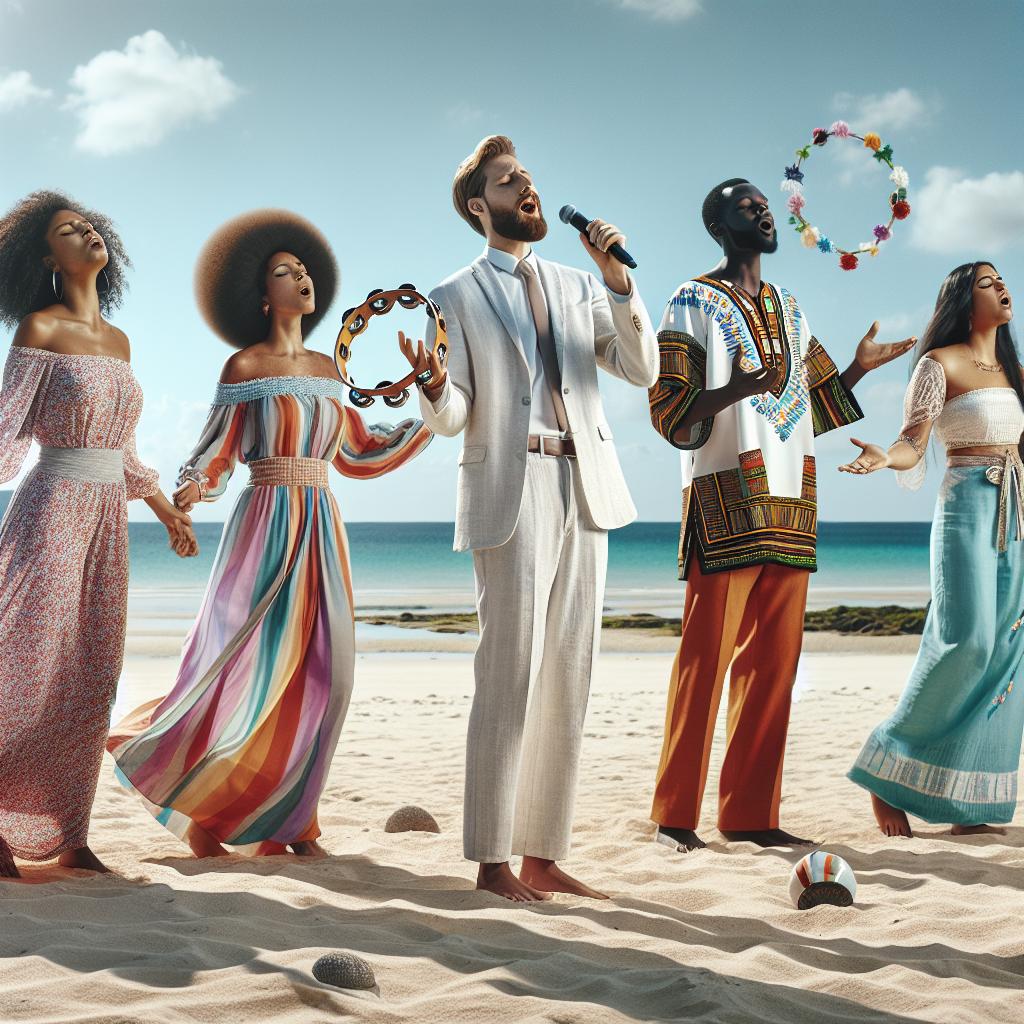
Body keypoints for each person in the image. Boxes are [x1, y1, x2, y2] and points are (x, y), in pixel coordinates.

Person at [108, 210, 431, 858]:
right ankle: (203, 813)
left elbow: (359, 453)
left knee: (328, 676)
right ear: (263, 296)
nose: (301, 277)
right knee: (239, 666)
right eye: (285, 272)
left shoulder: (328, 368)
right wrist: (191, 494)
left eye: (304, 269)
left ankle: (293, 820)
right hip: (263, 525)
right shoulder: (244, 364)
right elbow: (216, 452)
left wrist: (427, 409)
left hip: (322, 524)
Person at [402, 135, 658, 901]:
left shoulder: (584, 285)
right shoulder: (452, 295)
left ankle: (544, 853)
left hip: (587, 485)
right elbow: (453, 417)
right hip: (511, 491)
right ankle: (491, 860)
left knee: (568, 678)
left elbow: (641, 369)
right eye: (509, 181)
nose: (527, 188)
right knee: (507, 672)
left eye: (529, 176)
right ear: (481, 206)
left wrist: (620, 283)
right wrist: (434, 386)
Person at [647, 178, 915, 853]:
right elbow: (669, 406)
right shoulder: (691, 300)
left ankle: (749, 814)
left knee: (775, 664)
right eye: (747, 206)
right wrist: (737, 386)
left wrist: (856, 368)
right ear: (719, 225)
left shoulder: (791, 309)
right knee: (704, 659)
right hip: (724, 494)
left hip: (793, 500)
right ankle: (675, 817)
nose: (764, 212)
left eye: (766, 204)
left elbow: (809, 407)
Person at [0, 191, 196, 879]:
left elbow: (125, 452)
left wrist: (169, 511)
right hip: (50, 511)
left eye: (88, 225)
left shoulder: (119, 341)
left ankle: (70, 832)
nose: (85, 233)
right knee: (24, 672)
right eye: (66, 230)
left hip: (108, 518)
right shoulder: (39, 330)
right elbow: (5, 437)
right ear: (43, 256)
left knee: (90, 674)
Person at [844, 262, 1024, 836]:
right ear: (962, 299)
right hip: (967, 507)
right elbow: (912, 444)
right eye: (987, 282)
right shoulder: (938, 363)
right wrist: (882, 458)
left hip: (1017, 513)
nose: (1001, 287)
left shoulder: (1014, 371)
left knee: (1006, 652)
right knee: (966, 641)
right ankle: (885, 764)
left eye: (1001, 280)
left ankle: (966, 802)